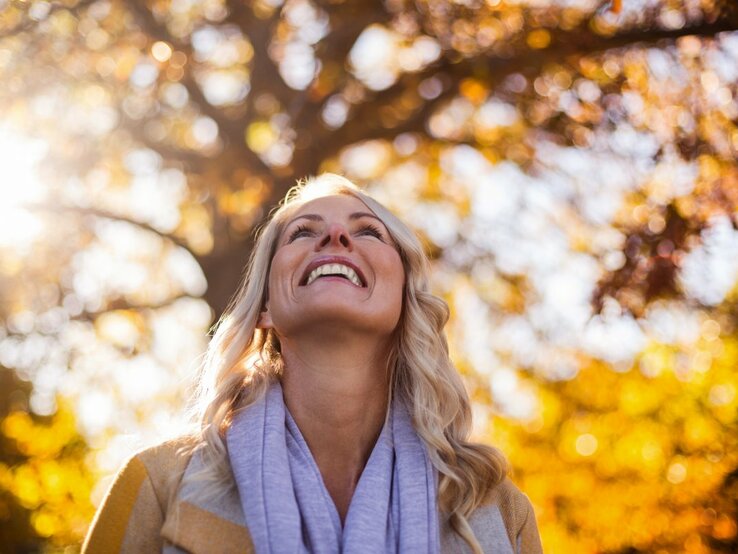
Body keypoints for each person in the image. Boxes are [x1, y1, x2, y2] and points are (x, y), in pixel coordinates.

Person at [82, 173, 543, 554]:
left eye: (367, 231)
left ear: (406, 300)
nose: (335, 236)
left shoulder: (497, 512)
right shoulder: (159, 484)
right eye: (303, 232)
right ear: (264, 307)